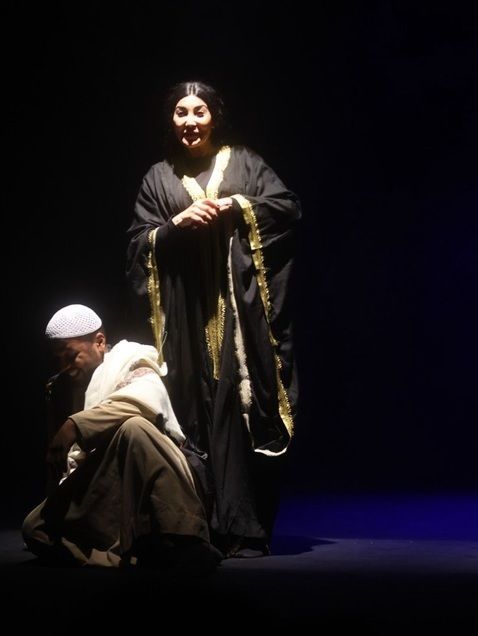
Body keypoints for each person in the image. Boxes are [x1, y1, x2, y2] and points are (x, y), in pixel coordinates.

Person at [126, 80, 301, 557]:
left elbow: (287, 209)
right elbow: (138, 244)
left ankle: (247, 528)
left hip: (240, 320)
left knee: (242, 410)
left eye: (199, 112)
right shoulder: (158, 177)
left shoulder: (244, 163)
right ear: (171, 120)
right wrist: (173, 227)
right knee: (193, 414)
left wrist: (238, 207)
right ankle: (200, 527)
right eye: (181, 112)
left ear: (214, 117)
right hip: (185, 324)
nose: (190, 121)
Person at [22, 304, 222, 571]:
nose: (64, 366)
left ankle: (186, 540)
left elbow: (142, 402)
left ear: (99, 342)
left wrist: (74, 426)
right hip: (104, 486)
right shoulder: (60, 389)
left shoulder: (131, 360)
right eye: (57, 359)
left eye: (70, 356)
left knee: (134, 427)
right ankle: (136, 557)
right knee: (35, 528)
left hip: (153, 477)